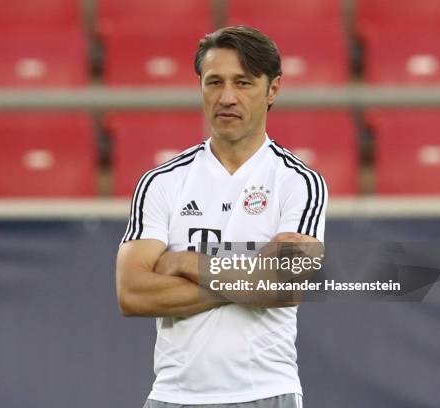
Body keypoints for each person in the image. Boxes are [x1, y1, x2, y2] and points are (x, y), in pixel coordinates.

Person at [116, 26, 327, 408]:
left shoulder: (299, 182)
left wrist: (185, 262)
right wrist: (250, 279)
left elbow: (284, 288)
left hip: (266, 392)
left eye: (243, 83)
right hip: (174, 396)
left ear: (273, 89)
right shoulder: (161, 181)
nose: (227, 97)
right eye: (215, 82)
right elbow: (132, 292)